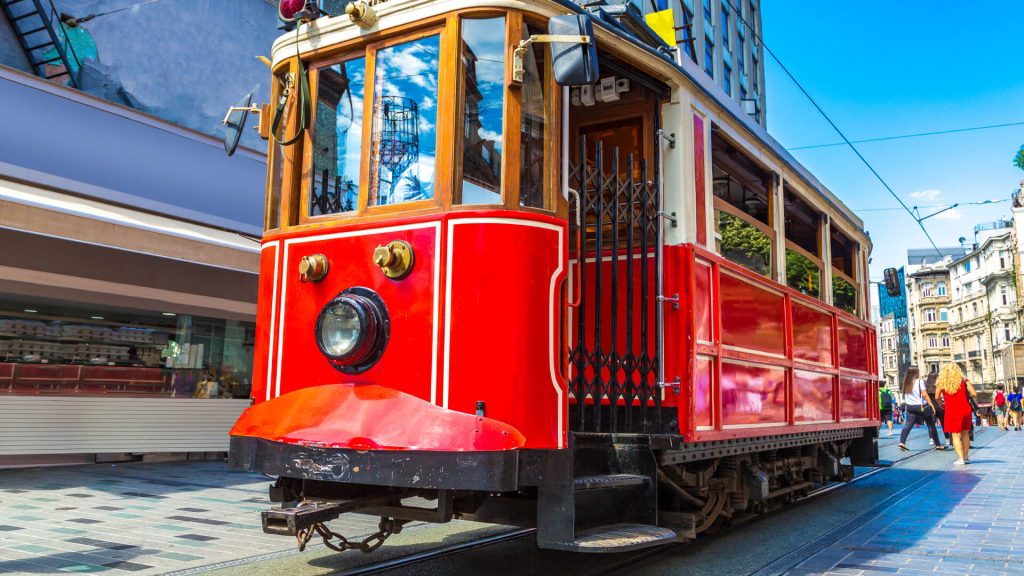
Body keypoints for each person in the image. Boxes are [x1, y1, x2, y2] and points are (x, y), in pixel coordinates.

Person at [934, 363, 978, 465]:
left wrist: (941, 403)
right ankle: (966, 457)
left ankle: (960, 458)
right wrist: (964, 396)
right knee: (965, 434)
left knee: (955, 435)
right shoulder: (964, 380)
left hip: (952, 410)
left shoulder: (942, 382)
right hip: (965, 408)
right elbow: (974, 393)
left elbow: (936, 397)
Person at [898, 367, 945, 451]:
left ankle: (902, 442)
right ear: (916, 373)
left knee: (908, 425)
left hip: (909, 407)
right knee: (931, 424)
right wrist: (931, 405)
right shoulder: (919, 382)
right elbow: (924, 394)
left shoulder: (906, 382)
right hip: (920, 407)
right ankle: (938, 445)